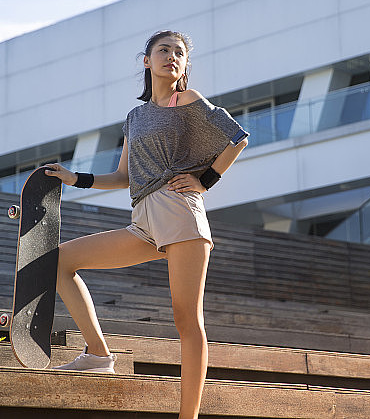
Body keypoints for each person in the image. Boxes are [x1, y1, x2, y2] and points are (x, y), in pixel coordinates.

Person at [43, 30, 249, 419]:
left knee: (187, 318)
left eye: (179, 53)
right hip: (142, 221)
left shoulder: (184, 99)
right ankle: (99, 355)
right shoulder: (135, 117)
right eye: (163, 50)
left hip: (180, 212)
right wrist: (76, 179)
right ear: (147, 60)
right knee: (59, 261)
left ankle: (187, 417)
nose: (172, 56)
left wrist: (206, 180)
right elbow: (124, 176)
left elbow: (236, 138)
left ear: (185, 64)